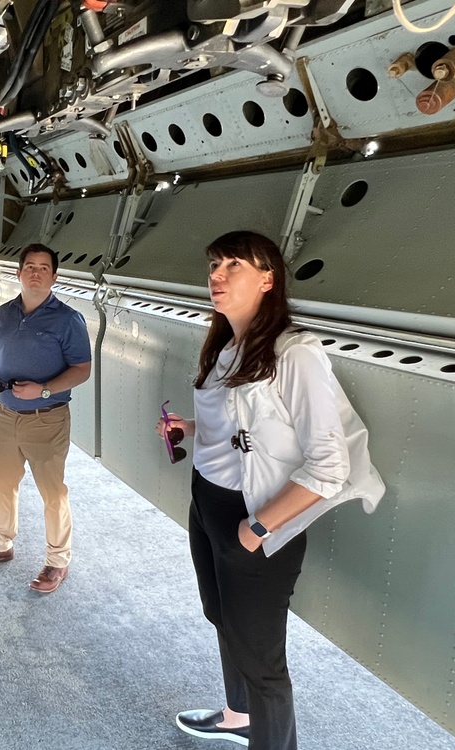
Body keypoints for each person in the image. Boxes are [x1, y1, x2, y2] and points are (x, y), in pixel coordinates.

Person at [156, 231, 384, 749]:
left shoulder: (295, 352)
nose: (217, 274)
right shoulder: (227, 344)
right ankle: (239, 718)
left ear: (268, 278)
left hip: (255, 517)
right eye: (214, 263)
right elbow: (244, 426)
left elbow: (330, 465)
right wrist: (189, 429)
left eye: (233, 264)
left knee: (263, 661)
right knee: (221, 616)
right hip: (208, 502)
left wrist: (257, 529)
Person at [0, 243, 92, 594]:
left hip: (47, 419)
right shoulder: (3, 314)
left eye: (43, 267)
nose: (35, 272)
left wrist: (45, 390)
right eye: (29, 266)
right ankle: (1, 544)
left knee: (53, 494)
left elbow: (82, 369)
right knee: (2, 485)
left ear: (54, 276)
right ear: (19, 272)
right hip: (5, 415)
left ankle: (57, 561)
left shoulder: (68, 320)